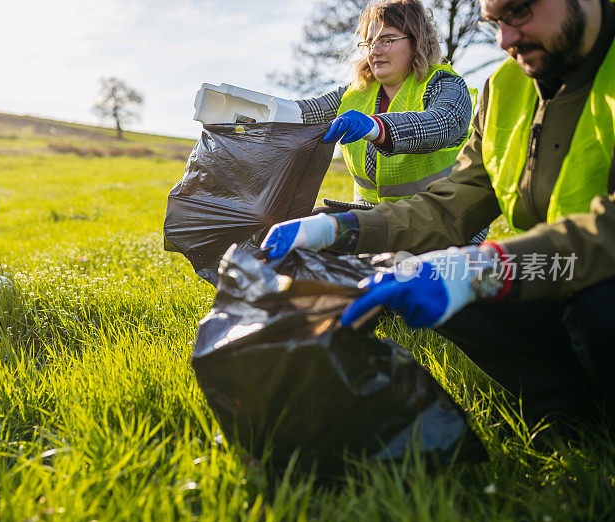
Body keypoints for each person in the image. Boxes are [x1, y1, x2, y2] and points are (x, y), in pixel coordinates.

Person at [262, 0, 615, 430]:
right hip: (550, 267)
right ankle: (570, 415)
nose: (505, 39)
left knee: (599, 302)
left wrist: (482, 265)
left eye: (520, 12)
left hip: (590, 268)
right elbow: (451, 204)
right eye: (496, 22)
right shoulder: (507, 88)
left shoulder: (446, 87)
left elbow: (442, 123)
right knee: (432, 276)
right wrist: (342, 227)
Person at [296, 0, 483, 243]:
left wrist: (376, 127)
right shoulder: (354, 93)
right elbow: (303, 113)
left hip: (442, 221)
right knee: (295, 233)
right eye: (369, 42)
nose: (374, 51)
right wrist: (244, 110)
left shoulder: (446, 85)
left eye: (387, 40)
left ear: (416, 41)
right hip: (371, 218)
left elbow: (441, 124)